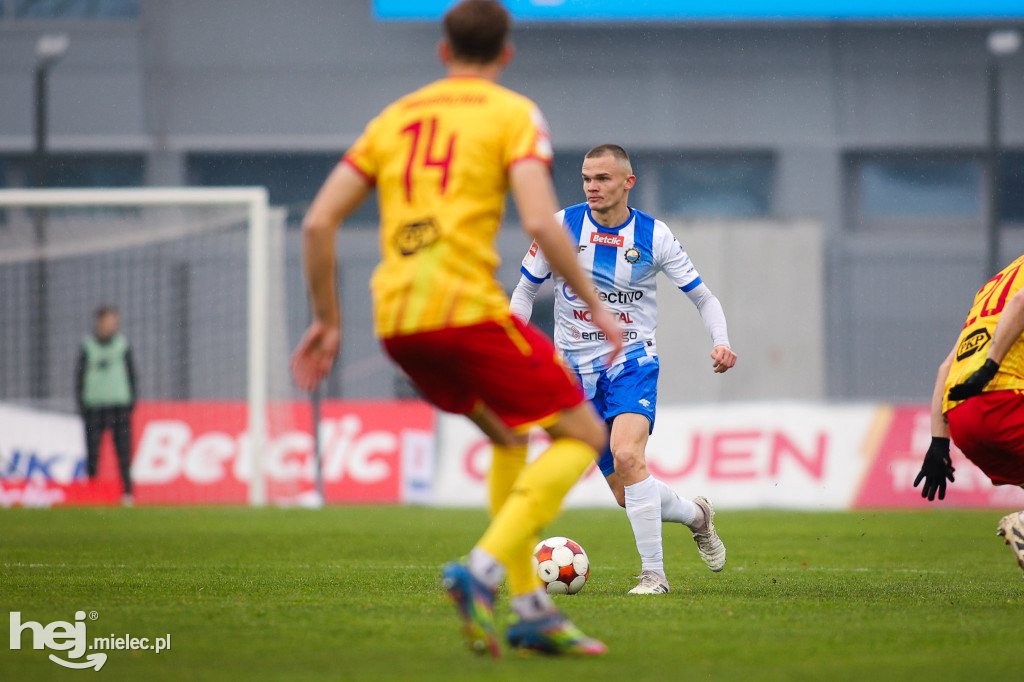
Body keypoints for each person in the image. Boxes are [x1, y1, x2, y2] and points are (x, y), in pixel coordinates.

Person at [290, 0, 621, 657]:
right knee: (584, 433)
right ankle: (483, 571)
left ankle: (530, 611)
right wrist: (597, 303)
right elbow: (537, 220)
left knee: (506, 438)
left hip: (398, 323)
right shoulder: (512, 114)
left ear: (442, 51)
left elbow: (318, 222)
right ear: (507, 53)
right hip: (465, 312)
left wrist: (328, 320)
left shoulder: (395, 118)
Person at [509, 144, 737, 595]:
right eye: (587, 179)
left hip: (632, 361)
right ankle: (698, 516)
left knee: (630, 457)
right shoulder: (562, 226)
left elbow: (703, 297)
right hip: (573, 374)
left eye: (603, 179)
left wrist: (722, 341)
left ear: (627, 182)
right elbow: (523, 292)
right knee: (625, 491)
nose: (592, 187)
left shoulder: (655, 236)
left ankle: (654, 576)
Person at [914, 255, 1024, 576]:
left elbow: (945, 368)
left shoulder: (992, 286)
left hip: (962, 419)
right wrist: (991, 366)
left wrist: (938, 444)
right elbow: (1021, 302)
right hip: (1003, 399)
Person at [76, 304, 138, 506]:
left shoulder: (122, 345)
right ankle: (92, 493)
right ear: (100, 321)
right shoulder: (88, 346)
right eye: (110, 320)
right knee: (92, 453)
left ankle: (127, 494)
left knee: (124, 452)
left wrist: (131, 402)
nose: (114, 325)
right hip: (94, 408)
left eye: (115, 321)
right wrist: (82, 405)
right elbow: (79, 377)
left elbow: (132, 375)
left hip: (119, 407)